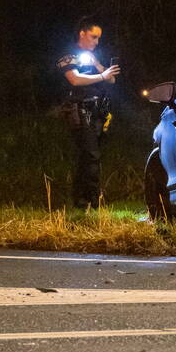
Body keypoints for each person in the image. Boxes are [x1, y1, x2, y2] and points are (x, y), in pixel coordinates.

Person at [56, 17, 120, 209]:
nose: (96, 42)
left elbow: (111, 81)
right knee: (90, 155)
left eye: (99, 38)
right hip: (79, 111)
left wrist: (101, 68)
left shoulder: (91, 57)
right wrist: (101, 75)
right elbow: (74, 79)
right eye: (93, 37)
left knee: (90, 156)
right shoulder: (68, 55)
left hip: (97, 112)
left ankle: (84, 200)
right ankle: (91, 200)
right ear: (82, 34)